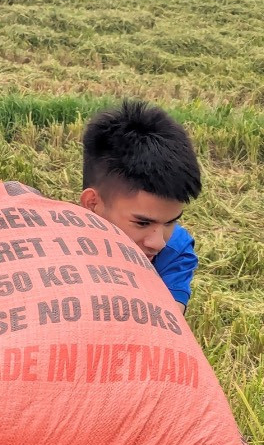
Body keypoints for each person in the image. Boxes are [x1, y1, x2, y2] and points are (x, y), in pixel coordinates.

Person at [79, 100, 202, 311]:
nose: (158, 243)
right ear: (92, 204)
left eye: (171, 221)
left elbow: (169, 324)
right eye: (143, 223)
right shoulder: (50, 243)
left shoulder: (175, 251)